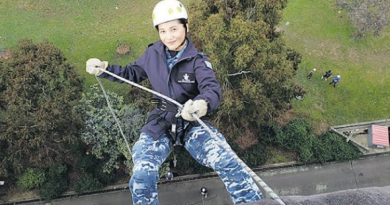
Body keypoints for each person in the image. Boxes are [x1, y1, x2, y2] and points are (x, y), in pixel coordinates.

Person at [85, 0, 263, 204]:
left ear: (186, 27)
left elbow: (212, 89)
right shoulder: (152, 54)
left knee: (228, 160)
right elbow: (132, 73)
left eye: (174, 29)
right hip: (161, 121)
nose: (168, 36)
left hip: (191, 122)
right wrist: (105, 69)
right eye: (162, 31)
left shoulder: (197, 61)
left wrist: (201, 104)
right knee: (142, 174)